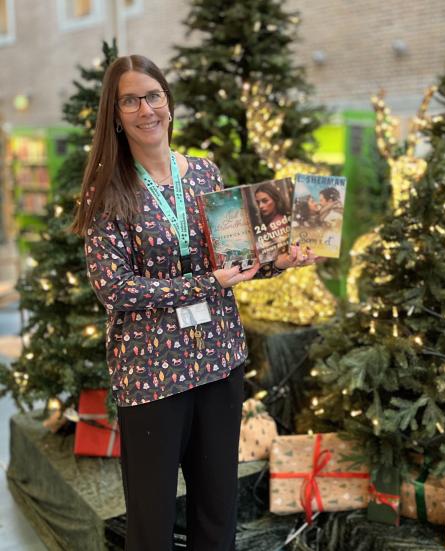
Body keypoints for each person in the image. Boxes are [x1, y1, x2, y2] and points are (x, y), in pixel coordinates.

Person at [71, 54, 317, 551]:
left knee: (216, 511)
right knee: (151, 521)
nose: (146, 109)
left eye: (153, 95)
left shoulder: (204, 172)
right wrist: (207, 283)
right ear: (115, 116)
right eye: (131, 101)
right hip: (152, 375)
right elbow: (114, 287)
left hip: (218, 361)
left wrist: (280, 259)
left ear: (168, 100)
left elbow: (233, 258)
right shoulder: (107, 190)